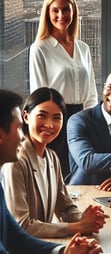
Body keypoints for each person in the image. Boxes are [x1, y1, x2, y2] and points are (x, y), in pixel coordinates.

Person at [0, 89, 102, 254]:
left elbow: (16, 237)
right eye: (17, 128)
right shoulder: (15, 163)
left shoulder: (52, 157)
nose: (22, 136)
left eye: (57, 118)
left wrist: (66, 249)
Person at [29, 0, 98, 178]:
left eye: (65, 9)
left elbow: (91, 92)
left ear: (73, 11)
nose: (61, 15)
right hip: (55, 119)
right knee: (57, 175)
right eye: (55, 10)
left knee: (82, 175)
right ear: (47, 13)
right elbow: (38, 93)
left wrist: (92, 122)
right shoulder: (40, 48)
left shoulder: (83, 48)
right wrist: (46, 125)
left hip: (82, 118)